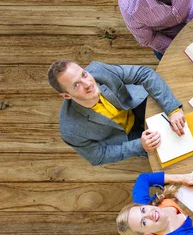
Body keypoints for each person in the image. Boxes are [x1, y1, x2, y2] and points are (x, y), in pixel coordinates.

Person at [48, 59, 184, 166]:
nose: (88, 83)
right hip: (128, 137)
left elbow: (144, 74)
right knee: (177, 156)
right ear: (66, 96)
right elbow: (98, 156)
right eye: (76, 85)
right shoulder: (70, 130)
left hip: (137, 104)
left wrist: (172, 109)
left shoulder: (98, 70)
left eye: (84, 75)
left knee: (185, 123)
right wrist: (139, 145)